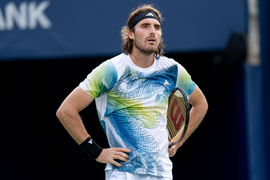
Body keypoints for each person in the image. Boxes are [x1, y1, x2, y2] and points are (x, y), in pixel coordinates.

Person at [56, 4, 208, 180]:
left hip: (162, 173)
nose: (152, 31)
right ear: (130, 34)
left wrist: (178, 142)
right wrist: (96, 152)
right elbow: (66, 110)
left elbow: (200, 104)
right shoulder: (111, 70)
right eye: (145, 26)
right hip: (123, 173)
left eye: (157, 27)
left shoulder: (173, 69)